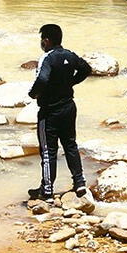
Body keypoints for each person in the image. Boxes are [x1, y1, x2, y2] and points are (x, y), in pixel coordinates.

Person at [27, 24, 93, 203]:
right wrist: (71, 82)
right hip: (68, 107)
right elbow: (86, 69)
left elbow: (42, 79)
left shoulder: (47, 58)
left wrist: (33, 94)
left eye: (42, 40)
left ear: (46, 41)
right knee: (70, 145)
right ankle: (79, 183)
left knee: (48, 151)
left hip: (50, 111)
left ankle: (47, 191)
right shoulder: (70, 55)